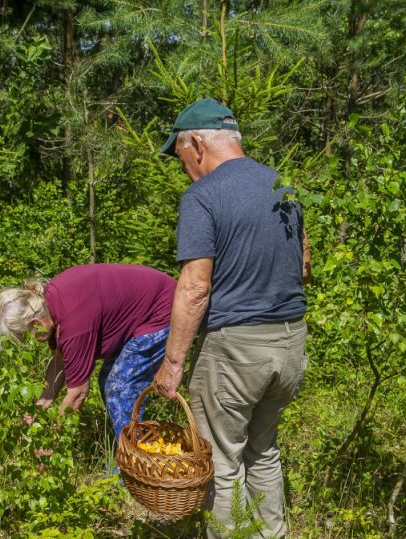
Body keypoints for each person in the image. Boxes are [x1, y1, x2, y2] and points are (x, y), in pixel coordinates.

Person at [152, 98, 311, 538]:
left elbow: (195, 286)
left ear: (198, 143)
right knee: (263, 451)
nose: (181, 165)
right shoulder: (283, 186)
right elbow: (304, 266)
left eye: (179, 154)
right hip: (290, 344)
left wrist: (174, 361)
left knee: (220, 462)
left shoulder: (203, 196)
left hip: (236, 350)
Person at [0, 264, 176, 442]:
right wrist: (40, 407)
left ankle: (134, 464)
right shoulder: (49, 303)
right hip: (148, 304)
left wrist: (52, 440)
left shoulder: (73, 325)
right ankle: (129, 452)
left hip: (163, 309)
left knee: (119, 388)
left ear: (36, 322)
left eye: (29, 331)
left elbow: (78, 393)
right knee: (109, 380)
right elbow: (59, 363)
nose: (33, 337)